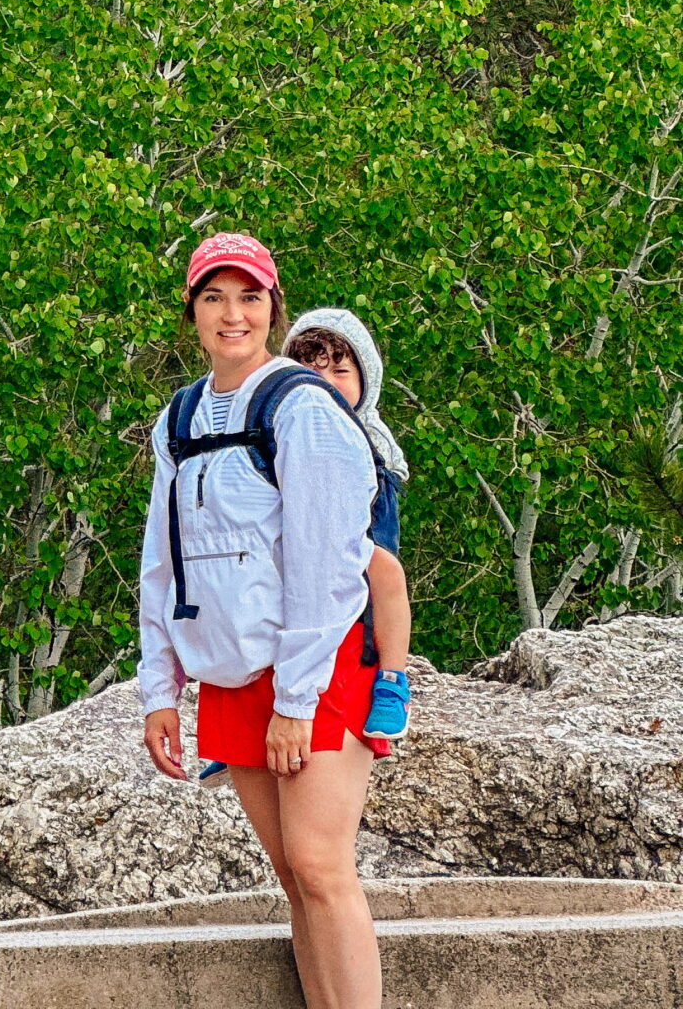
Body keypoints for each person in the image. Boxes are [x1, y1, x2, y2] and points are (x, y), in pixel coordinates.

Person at [140, 231, 383, 1009]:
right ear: (193, 313)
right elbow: (162, 561)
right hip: (229, 664)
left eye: (249, 297)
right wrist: (158, 689)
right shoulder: (178, 420)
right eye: (214, 297)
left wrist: (295, 700)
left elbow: (327, 564)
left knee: (320, 865)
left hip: (313, 665)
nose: (232, 314)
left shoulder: (302, 408)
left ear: (273, 309)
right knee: (292, 876)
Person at [286, 308, 412, 747]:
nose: (326, 382)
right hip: (303, 546)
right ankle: (247, 717)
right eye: (309, 370)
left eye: (340, 370)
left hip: (361, 533)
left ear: (365, 380)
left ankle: (393, 680)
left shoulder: (369, 435)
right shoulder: (280, 426)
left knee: (384, 572)